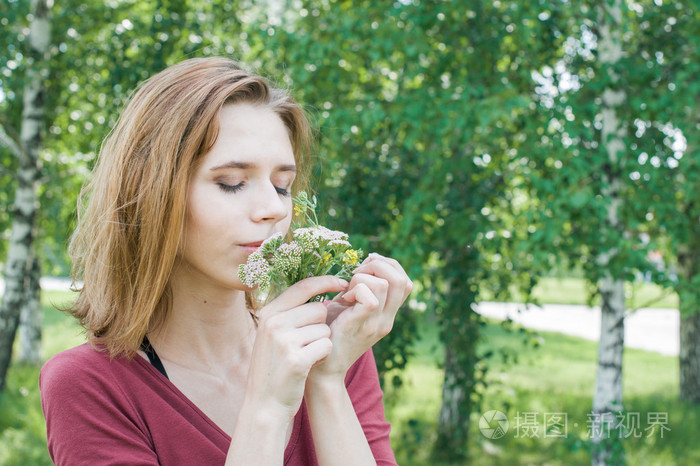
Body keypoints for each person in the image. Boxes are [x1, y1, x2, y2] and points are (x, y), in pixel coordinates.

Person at [40, 57, 412, 465]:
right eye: (231, 183)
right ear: (152, 194)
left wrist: (326, 381)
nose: (273, 209)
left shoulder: (334, 345)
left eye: (283, 186)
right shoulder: (90, 386)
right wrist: (267, 408)